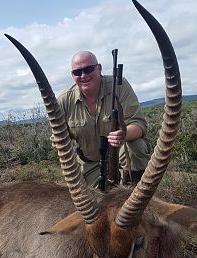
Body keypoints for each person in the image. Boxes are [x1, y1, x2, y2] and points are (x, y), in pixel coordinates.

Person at [56, 50, 150, 188]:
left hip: (121, 156)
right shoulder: (64, 101)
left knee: (136, 146)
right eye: (77, 72)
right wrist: (72, 173)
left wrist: (123, 134)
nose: (83, 75)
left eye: (88, 69)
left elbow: (139, 124)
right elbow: (59, 142)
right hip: (91, 164)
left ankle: (138, 191)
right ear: (72, 75)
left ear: (99, 68)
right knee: (97, 202)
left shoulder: (120, 86)